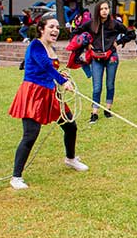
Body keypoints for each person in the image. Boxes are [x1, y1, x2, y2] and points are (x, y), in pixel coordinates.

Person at [7, 16, 88, 190]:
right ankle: (16, 177)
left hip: (51, 94)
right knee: (30, 135)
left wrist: (64, 77)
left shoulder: (51, 47)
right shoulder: (36, 45)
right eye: (51, 26)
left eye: (57, 27)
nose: (56, 30)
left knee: (70, 125)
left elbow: (54, 70)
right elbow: (46, 67)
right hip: (34, 93)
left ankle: (70, 159)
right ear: (41, 29)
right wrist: (62, 81)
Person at [77, 0, 125, 123]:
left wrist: (118, 42)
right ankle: (94, 113)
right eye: (102, 9)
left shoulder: (115, 24)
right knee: (97, 87)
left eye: (107, 8)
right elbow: (76, 33)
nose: (104, 11)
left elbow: (131, 34)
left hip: (111, 57)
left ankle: (108, 109)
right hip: (96, 58)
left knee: (110, 84)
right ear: (98, 10)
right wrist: (86, 44)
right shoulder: (90, 24)